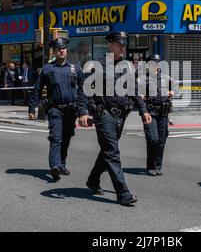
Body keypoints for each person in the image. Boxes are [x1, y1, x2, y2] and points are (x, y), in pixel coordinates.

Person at [84, 31, 152, 206]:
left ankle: (93, 180)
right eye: (119, 44)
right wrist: (86, 111)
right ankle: (123, 193)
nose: (123, 48)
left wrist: (143, 110)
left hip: (121, 116)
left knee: (107, 152)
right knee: (112, 153)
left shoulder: (127, 66)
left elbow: (134, 90)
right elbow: (85, 91)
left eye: (124, 45)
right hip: (104, 115)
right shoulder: (97, 65)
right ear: (110, 45)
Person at [28, 37, 89, 180]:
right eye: (58, 49)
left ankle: (61, 164)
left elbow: (83, 89)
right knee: (56, 138)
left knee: (66, 138)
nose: (61, 50)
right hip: (55, 109)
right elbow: (37, 89)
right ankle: (54, 166)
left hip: (71, 110)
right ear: (54, 52)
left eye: (63, 48)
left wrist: (82, 111)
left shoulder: (75, 68)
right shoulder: (48, 68)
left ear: (66, 50)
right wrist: (32, 108)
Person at [142, 54, 175, 176]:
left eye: (157, 63)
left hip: (163, 112)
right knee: (153, 139)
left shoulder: (166, 78)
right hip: (150, 112)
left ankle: (158, 165)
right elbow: (138, 96)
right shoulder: (143, 79)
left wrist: (172, 92)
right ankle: (150, 166)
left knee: (161, 140)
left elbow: (176, 89)